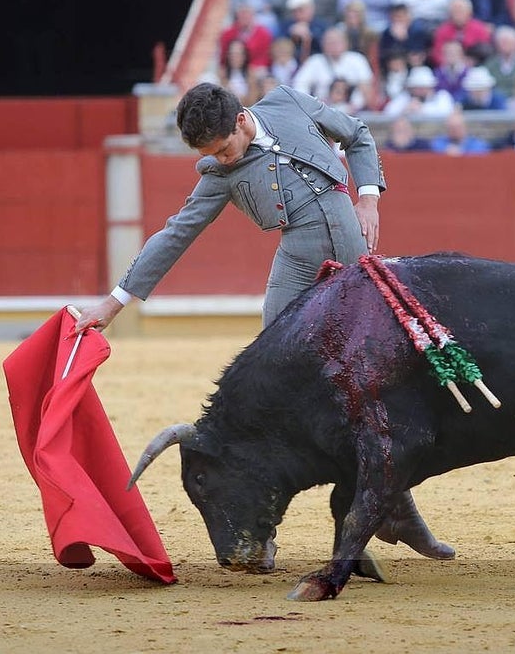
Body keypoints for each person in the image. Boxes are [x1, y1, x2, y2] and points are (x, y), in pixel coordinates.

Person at [74, 82, 454, 564]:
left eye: (225, 149)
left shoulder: (288, 102)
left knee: (370, 390)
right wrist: (113, 303)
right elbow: (175, 235)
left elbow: (357, 135)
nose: (224, 160)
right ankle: (261, 524)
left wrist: (369, 197)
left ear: (240, 120)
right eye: (212, 155)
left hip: (357, 267)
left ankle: (393, 510)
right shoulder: (219, 174)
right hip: (297, 267)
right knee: (276, 390)